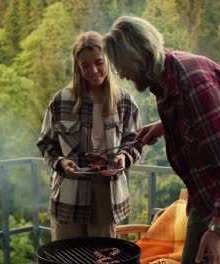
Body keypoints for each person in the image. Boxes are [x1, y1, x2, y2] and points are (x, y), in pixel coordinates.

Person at [103, 16, 220, 264]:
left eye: (122, 67)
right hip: (207, 192)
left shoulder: (195, 83)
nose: (122, 75)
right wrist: (165, 126)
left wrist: (217, 230)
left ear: (142, 57)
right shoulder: (167, 75)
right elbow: (201, 121)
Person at [37, 31, 142, 241]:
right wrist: (61, 162)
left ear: (108, 59)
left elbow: (135, 140)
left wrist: (124, 157)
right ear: (78, 67)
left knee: (102, 256)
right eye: (85, 65)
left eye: (99, 62)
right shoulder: (60, 101)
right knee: (66, 256)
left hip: (107, 194)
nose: (93, 70)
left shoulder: (124, 101)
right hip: (69, 194)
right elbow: (46, 143)